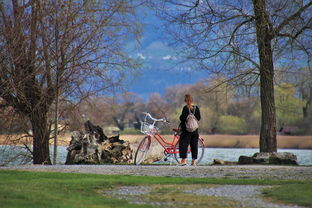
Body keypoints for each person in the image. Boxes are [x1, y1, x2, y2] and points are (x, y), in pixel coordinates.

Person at [179, 94, 201, 166]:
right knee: (194, 145)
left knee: (183, 144)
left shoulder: (185, 108)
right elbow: (199, 118)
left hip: (186, 130)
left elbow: (183, 119)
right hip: (195, 130)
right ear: (192, 100)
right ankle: (193, 161)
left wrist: (181, 117)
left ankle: (183, 160)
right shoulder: (196, 108)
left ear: (185, 100)